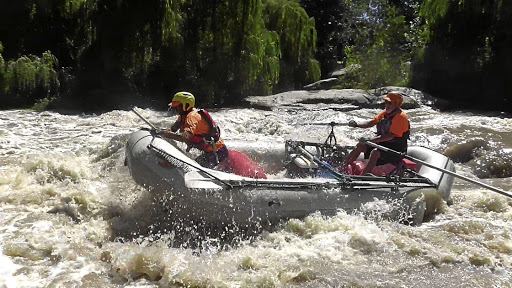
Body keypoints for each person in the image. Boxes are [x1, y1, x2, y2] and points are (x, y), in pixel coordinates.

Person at [344, 91, 410, 175]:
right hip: (383, 145)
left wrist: (371, 140)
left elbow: (390, 136)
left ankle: (362, 177)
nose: (386, 105)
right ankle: (344, 168)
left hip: (396, 150)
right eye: (385, 102)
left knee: (375, 152)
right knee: (360, 145)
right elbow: (371, 122)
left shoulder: (401, 117)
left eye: (389, 103)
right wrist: (357, 125)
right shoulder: (384, 113)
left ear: (396, 104)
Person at [158, 91, 229, 168]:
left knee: (192, 168)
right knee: (193, 165)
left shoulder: (192, 116)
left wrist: (165, 133)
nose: (174, 109)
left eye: (177, 106)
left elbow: (185, 136)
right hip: (209, 152)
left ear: (186, 105)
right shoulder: (182, 116)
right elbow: (173, 130)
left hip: (217, 152)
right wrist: (160, 131)